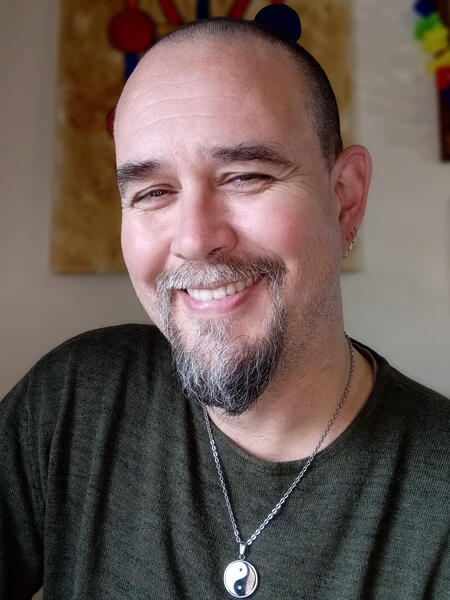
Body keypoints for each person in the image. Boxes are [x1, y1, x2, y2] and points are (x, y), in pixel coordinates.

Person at [1, 10, 449, 600]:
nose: (193, 239)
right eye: (153, 192)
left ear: (344, 199)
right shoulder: (74, 402)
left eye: (244, 176)